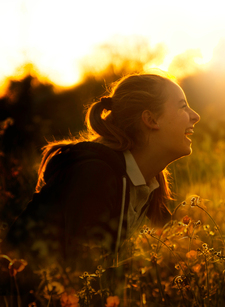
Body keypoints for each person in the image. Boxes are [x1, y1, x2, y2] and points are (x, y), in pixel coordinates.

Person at [2, 73, 200, 299]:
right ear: (151, 119)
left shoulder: (144, 183)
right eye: (183, 106)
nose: (196, 116)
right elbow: (81, 275)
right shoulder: (95, 175)